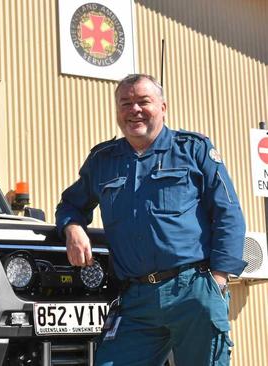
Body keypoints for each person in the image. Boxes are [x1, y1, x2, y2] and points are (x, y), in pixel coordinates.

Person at [55, 74, 246, 365]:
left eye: (144, 101)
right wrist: (72, 227)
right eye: (126, 103)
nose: (134, 110)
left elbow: (228, 213)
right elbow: (71, 203)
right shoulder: (102, 160)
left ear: (163, 107)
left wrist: (218, 280)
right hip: (136, 299)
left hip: (193, 291)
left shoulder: (193, 150)